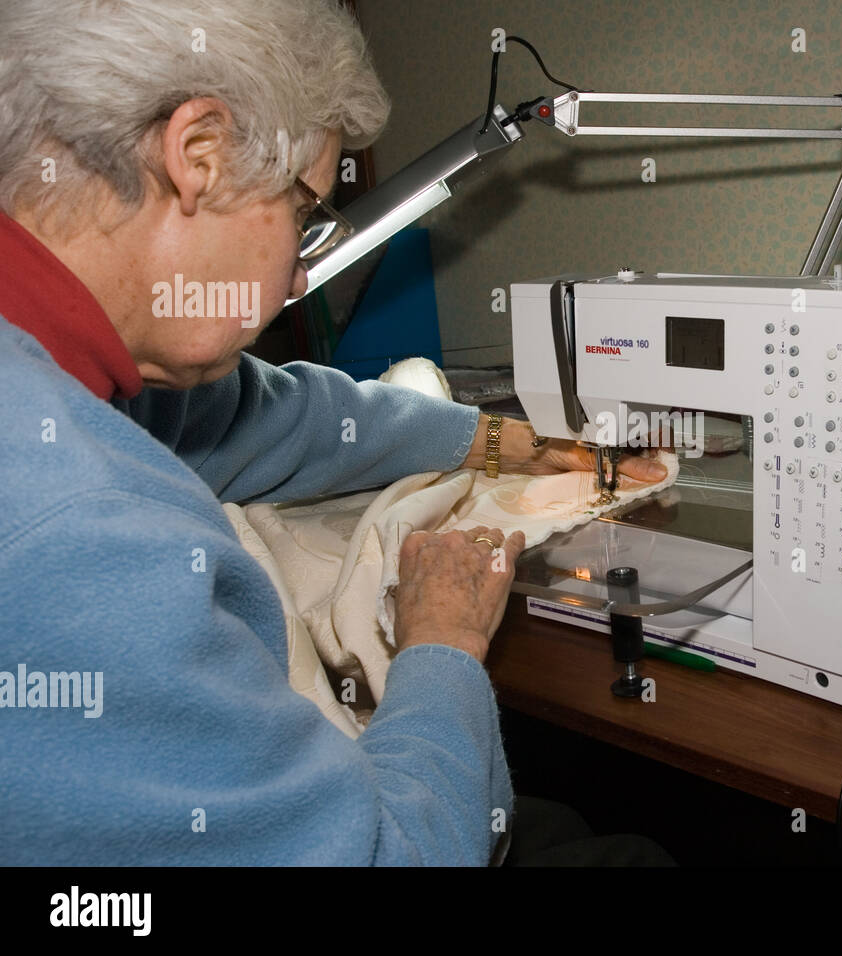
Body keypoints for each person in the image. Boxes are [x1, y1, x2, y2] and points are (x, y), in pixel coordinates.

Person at [0, 0, 665, 865]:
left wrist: (492, 442)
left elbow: (259, 421)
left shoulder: (58, 372)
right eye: (306, 212)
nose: (297, 265)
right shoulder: (78, 535)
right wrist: (443, 644)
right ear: (197, 156)